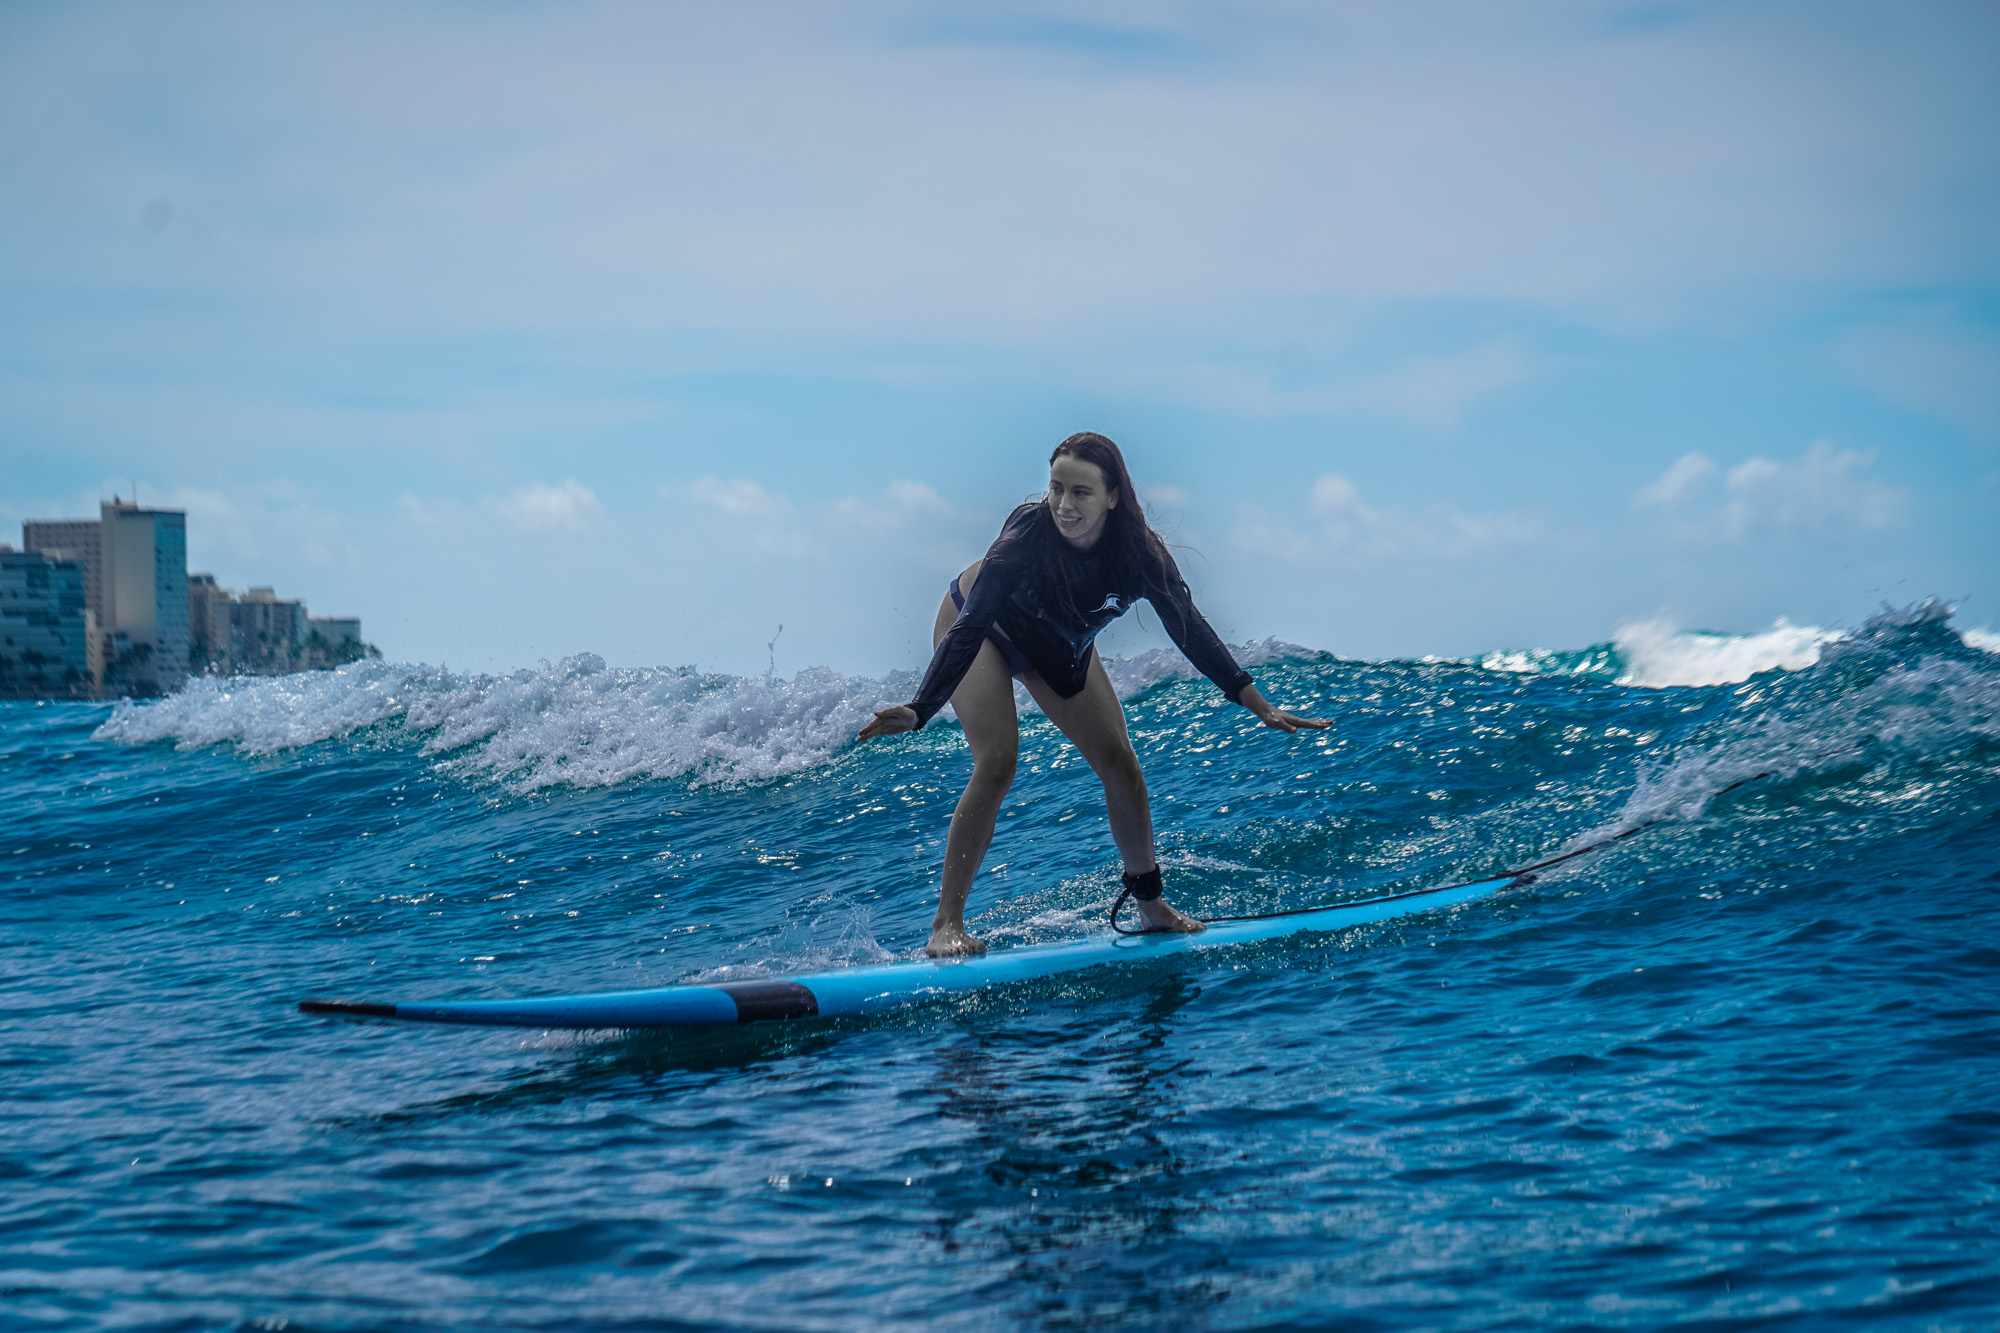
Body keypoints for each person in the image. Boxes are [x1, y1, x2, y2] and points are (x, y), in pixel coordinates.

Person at [859, 432, 1331, 956]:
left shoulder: (1139, 554)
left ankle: (1150, 905)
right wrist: (922, 707)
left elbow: (1187, 626)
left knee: (1120, 763)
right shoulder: (1026, 536)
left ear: (1112, 495)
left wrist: (1252, 699)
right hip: (983, 631)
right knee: (997, 760)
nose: (1063, 505)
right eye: (1056, 488)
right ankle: (946, 925)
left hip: (1059, 647)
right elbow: (971, 625)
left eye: (1080, 492)